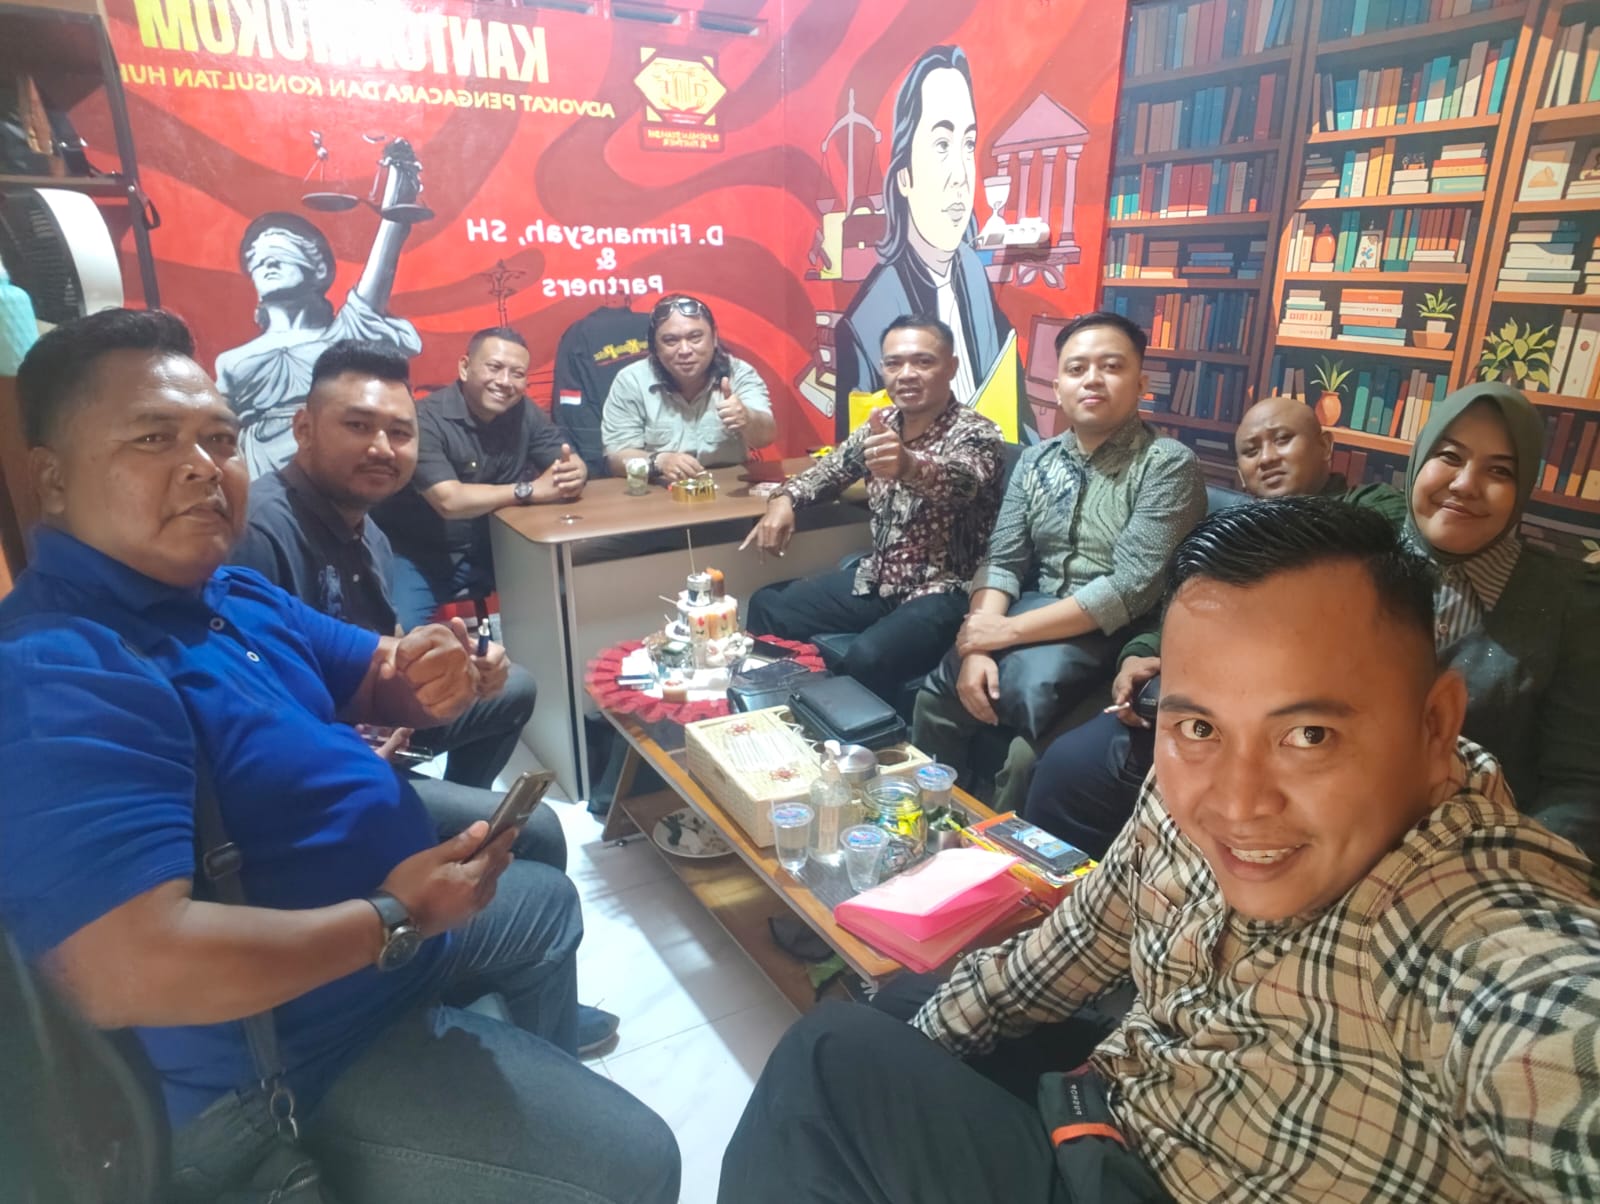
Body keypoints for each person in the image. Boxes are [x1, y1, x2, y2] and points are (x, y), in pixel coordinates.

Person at [720, 498, 1600, 1203]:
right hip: (1118, 1116)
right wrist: (925, 1040)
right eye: (1200, 725)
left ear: (1435, 726)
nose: (1237, 802)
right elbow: (1079, 943)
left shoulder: (1472, 929)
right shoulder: (1181, 797)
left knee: (826, 1063)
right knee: (897, 1009)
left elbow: (1551, 1031)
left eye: (1309, 736)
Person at [0, 309, 677, 1202]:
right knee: (639, 1162)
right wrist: (396, 917)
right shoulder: (59, 669)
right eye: (154, 438)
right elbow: (125, 970)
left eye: (219, 439)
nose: (202, 466)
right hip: (284, 1064)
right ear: (51, 479)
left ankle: (513, 1120)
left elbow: (378, 673)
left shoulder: (225, 591)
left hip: (378, 950)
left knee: (545, 903)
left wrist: (432, 670)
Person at [1024, 393, 1408, 856]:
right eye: (1251, 450)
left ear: (1325, 446)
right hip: (1199, 703)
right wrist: (1138, 656)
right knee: (1066, 765)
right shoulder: (1229, 530)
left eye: (1282, 440)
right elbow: (1183, 610)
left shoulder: (1372, 508)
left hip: (1290, 717)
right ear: (1241, 472)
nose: (1267, 458)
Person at [910, 311, 1205, 797]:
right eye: (1076, 368)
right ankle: (925, 819)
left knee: (1026, 762)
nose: (1093, 379)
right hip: (1035, 630)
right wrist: (979, 646)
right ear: (1058, 386)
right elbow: (1002, 559)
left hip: (1115, 645)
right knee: (934, 703)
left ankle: (998, 847)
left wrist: (1005, 633)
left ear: (1140, 383)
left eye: (1111, 366)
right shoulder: (1036, 459)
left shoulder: (1166, 465)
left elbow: (1129, 589)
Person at [742, 314, 1004, 701]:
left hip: (947, 591)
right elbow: (828, 471)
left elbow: (963, 482)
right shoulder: (882, 426)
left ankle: (835, 723)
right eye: (894, 363)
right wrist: (785, 499)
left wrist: (908, 466)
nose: (906, 374)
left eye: (923, 362)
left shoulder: (977, 432)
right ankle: (770, 704)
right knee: (769, 606)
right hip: (879, 580)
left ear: (951, 367)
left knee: (867, 656)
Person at [1402, 381, 1600, 861]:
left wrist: (1512, 874)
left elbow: (1578, 785)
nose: (1465, 484)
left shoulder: (1571, 603)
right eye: (1449, 456)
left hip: (1489, 861)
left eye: (1499, 471)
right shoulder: (1351, 566)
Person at [833, 45, 1028, 443]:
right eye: (941, 145)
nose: (961, 175)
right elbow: (860, 455)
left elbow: (1018, 415)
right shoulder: (867, 320)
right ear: (903, 176)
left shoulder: (972, 270)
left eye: (968, 144)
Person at [374, 326, 588, 629]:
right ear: (465, 367)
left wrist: (575, 472)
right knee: (393, 631)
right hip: (421, 555)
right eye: (495, 367)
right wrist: (528, 490)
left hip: (497, 548)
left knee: (573, 597)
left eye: (517, 374)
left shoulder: (524, 411)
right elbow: (450, 501)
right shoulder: (424, 419)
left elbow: (566, 458)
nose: (505, 382)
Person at [216, 190, 423, 477]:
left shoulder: (346, 334)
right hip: (256, 467)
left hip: (336, 466)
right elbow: (216, 431)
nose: (268, 264)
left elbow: (383, 262)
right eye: (257, 259)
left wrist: (398, 192)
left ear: (318, 268)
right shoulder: (231, 361)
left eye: (282, 253)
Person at [600, 293, 776, 482]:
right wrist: (659, 462)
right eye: (670, 340)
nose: (684, 350)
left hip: (727, 487)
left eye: (695, 337)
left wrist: (747, 418)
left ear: (714, 338)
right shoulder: (631, 380)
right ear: (654, 346)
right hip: (663, 490)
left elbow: (765, 437)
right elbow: (616, 458)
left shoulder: (738, 373)